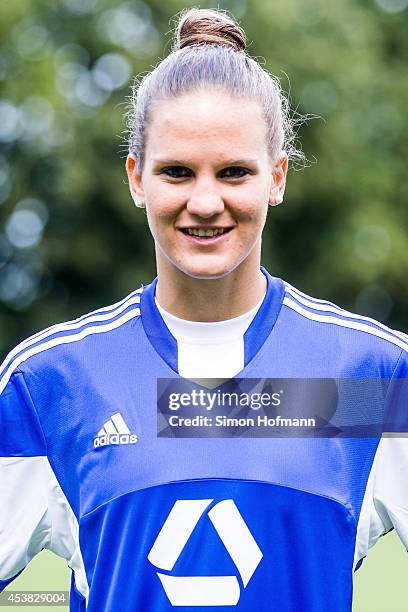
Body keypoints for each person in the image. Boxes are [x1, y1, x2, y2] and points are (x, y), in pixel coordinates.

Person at [0, 7, 407, 611]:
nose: (206, 201)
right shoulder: (52, 382)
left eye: (236, 172)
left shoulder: (370, 375)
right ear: (137, 179)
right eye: (177, 172)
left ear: (277, 177)